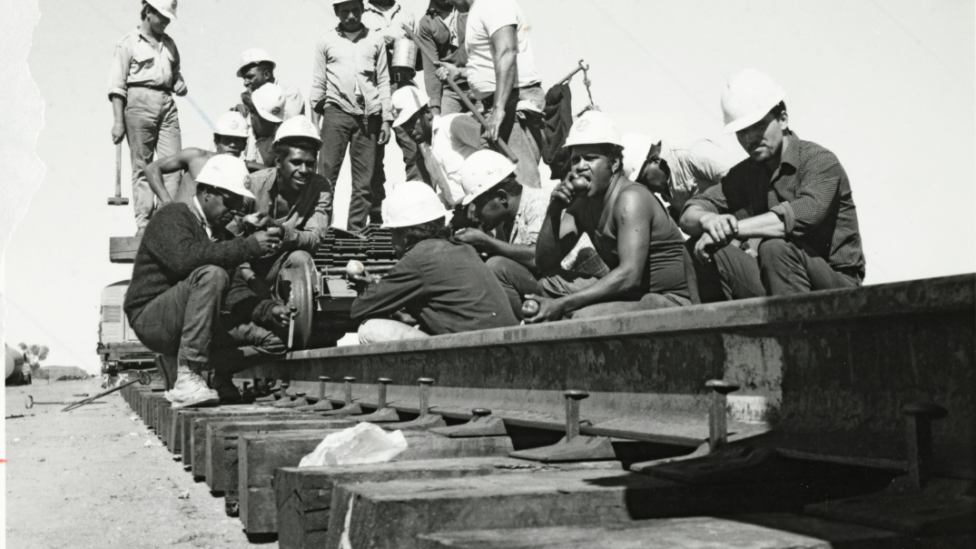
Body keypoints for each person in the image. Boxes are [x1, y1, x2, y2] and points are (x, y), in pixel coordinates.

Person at [679, 69, 865, 298]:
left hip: (838, 288)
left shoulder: (820, 162)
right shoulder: (747, 173)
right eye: (741, 131)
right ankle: (716, 333)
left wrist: (730, 229)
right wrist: (708, 220)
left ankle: (796, 334)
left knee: (775, 247)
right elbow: (690, 213)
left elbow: (792, 218)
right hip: (779, 278)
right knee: (698, 248)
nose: (749, 139)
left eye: (757, 126)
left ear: (783, 119)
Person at [123, 156, 289, 407]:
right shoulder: (173, 215)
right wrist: (248, 247)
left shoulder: (220, 236)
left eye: (239, 203)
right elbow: (185, 260)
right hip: (151, 318)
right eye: (230, 201)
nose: (235, 210)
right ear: (208, 193)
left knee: (274, 342)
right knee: (212, 273)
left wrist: (269, 310)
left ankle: (211, 373)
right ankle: (188, 377)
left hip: (188, 322)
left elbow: (234, 292)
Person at [507, 111, 691, 322]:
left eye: (591, 158)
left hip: (670, 299)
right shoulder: (583, 203)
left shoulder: (631, 198)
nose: (581, 166)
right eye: (576, 159)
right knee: (546, 285)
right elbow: (545, 263)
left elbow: (630, 275)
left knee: (583, 318)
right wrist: (554, 210)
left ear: (613, 163)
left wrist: (562, 304)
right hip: (635, 295)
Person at [350, 181, 518, 343]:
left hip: (471, 354)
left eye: (393, 233)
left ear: (406, 234)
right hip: (500, 348)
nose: (392, 241)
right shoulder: (462, 249)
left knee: (369, 329)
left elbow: (359, 309)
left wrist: (368, 287)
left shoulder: (418, 258)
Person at [437, 0, 544, 189]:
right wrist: (460, 73)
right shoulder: (479, 9)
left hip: (512, 102)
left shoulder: (493, 3)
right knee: (504, 186)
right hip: (501, 102)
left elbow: (507, 51)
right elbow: (490, 61)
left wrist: (499, 108)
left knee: (523, 185)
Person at [310, 0, 393, 232]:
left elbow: (384, 81)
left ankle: (355, 231)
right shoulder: (326, 41)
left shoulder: (375, 40)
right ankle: (320, 229)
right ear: (336, 12)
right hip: (336, 112)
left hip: (368, 116)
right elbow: (318, 84)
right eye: (344, 11)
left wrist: (386, 119)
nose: (350, 16)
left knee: (364, 182)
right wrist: (314, 125)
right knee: (325, 177)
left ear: (362, 10)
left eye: (355, 9)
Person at [234, 116, 334, 304]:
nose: (304, 170)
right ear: (279, 161)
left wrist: (282, 232)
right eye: (296, 162)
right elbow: (229, 238)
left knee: (301, 258)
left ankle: (292, 323)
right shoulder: (253, 185)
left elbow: (314, 239)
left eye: (310, 163)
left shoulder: (321, 187)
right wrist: (248, 275)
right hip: (244, 268)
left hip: (281, 267)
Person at [109, 0, 187, 236]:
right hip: (138, 102)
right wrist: (118, 121)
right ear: (148, 11)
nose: (165, 22)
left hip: (167, 103)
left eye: (168, 18)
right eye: (161, 16)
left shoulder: (170, 45)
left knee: (174, 164)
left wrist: (180, 83)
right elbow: (117, 86)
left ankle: (165, 220)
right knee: (142, 167)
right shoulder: (127, 44)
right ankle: (144, 224)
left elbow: (175, 75)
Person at [453, 151, 549, 315]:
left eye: (478, 204)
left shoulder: (538, 203)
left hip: (568, 288)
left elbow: (537, 257)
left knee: (496, 266)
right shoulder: (507, 223)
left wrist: (487, 242)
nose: (475, 214)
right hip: (547, 285)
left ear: (502, 197)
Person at [144, 111, 266, 206]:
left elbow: (271, 172)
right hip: (182, 224)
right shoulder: (196, 156)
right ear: (216, 141)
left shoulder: (241, 169)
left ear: (244, 144)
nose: (233, 145)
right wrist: (167, 203)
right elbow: (152, 168)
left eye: (237, 141)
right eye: (227, 140)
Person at [390, 86, 481, 205]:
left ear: (427, 113)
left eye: (412, 121)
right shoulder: (426, 151)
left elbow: (494, 153)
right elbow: (449, 192)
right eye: (404, 126)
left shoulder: (454, 124)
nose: (409, 129)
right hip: (460, 211)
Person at [622, 133, 746, 220]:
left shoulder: (693, 153)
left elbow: (747, 182)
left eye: (643, 181)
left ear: (654, 160)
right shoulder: (664, 184)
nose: (645, 188)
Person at [233, 48, 306, 167]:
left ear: (266, 74)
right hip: (258, 159)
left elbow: (284, 129)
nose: (245, 83)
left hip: (287, 162)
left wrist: (253, 105)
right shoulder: (251, 93)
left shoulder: (289, 92)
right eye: (244, 78)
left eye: (250, 77)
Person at [417, 0, 470, 116]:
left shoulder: (470, 8)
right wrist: (435, 106)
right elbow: (431, 68)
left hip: (477, 80)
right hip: (451, 88)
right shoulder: (426, 23)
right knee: (443, 129)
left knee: (487, 130)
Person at [248, 83, 289, 167]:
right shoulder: (240, 128)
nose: (272, 125)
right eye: (266, 120)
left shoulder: (278, 138)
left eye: (276, 122)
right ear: (252, 112)